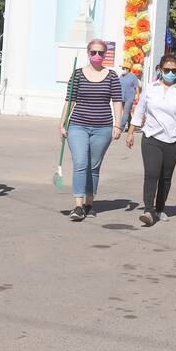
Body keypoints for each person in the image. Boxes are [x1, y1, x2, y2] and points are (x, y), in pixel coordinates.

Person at [127, 53, 176, 225]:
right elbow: (140, 111)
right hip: (152, 137)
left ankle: (159, 208)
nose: (170, 73)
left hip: (174, 140)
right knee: (151, 173)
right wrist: (130, 132)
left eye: (174, 70)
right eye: (167, 70)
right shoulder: (151, 88)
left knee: (165, 176)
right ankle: (148, 211)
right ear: (160, 69)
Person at [59, 38, 123, 222]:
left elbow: (117, 101)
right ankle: (78, 206)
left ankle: (89, 203)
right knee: (80, 163)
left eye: (100, 53)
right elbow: (69, 100)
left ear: (105, 55)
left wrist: (117, 125)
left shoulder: (112, 76)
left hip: (103, 127)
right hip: (78, 125)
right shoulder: (78, 74)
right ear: (88, 54)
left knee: (94, 166)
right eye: (93, 52)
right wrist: (62, 123)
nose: (97, 56)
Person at [119, 65, 141, 130]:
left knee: (125, 112)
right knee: (127, 112)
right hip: (122, 97)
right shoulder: (121, 76)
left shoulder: (133, 76)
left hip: (129, 97)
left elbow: (136, 87)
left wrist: (138, 96)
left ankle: (121, 127)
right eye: (123, 68)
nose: (123, 69)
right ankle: (130, 126)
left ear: (128, 69)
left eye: (125, 68)